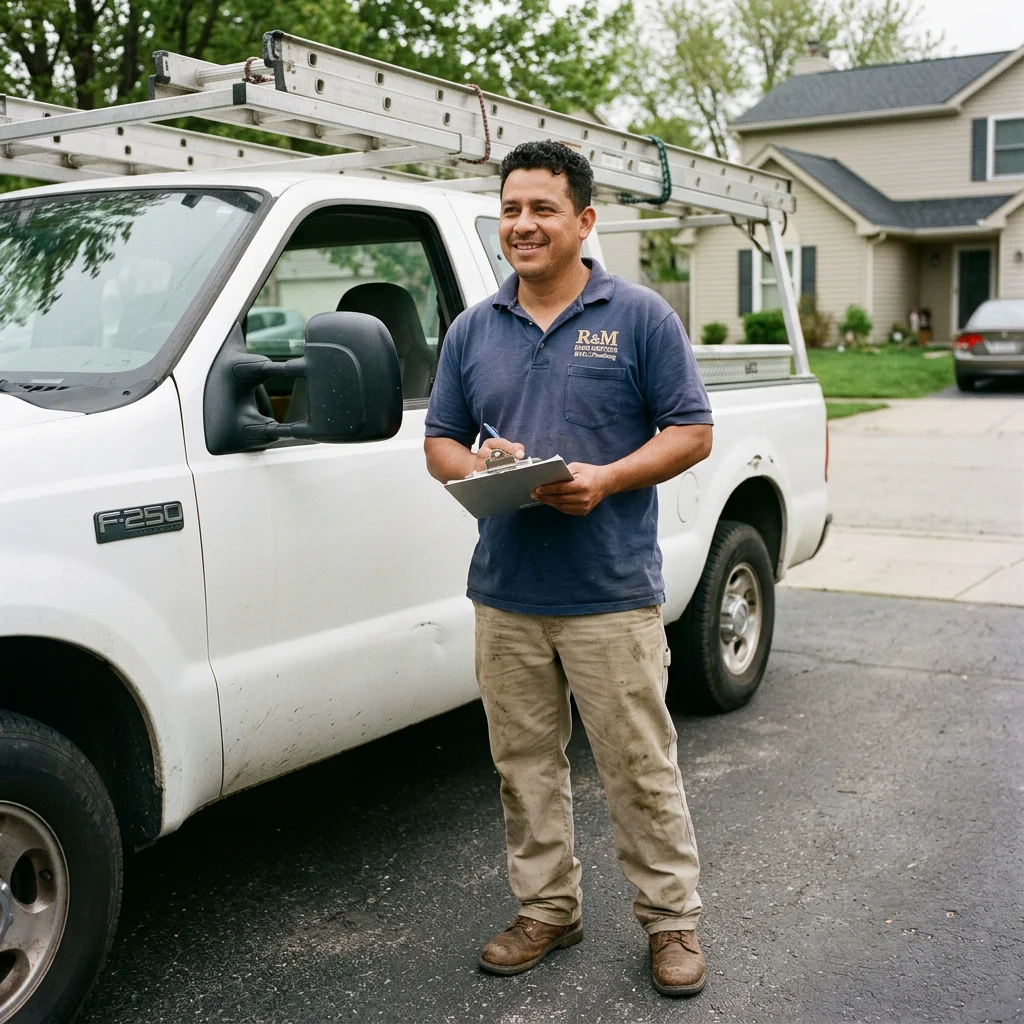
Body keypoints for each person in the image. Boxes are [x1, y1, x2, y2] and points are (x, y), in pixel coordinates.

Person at [423, 140, 714, 997]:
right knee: (523, 766)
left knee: (638, 765)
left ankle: (671, 921)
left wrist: (608, 478)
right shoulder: (475, 329)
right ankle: (548, 909)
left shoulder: (640, 316)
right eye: (511, 209)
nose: (523, 224)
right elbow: (440, 442)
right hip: (506, 592)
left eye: (542, 209)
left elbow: (693, 432)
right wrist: (482, 468)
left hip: (609, 593)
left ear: (583, 221)